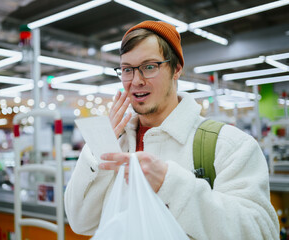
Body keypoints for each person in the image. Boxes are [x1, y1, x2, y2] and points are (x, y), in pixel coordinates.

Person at [64, 20, 279, 239]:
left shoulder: (228, 145)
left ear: (176, 69)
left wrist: (171, 184)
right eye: (127, 69)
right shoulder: (117, 142)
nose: (136, 81)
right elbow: (80, 223)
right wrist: (97, 147)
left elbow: (261, 232)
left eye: (149, 67)